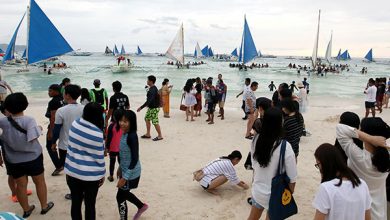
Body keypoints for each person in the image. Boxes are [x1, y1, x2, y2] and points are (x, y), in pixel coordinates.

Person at [0, 93, 54, 218]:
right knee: (39, 182)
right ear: (25, 105)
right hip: (33, 158)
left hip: (13, 160)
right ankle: (44, 206)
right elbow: (31, 137)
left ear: (7, 107)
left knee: (20, 184)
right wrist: (39, 128)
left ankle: (26, 209)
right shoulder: (29, 120)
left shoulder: (2, 122)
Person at [248, 107, 297, 220]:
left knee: (252, 218)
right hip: (275, 195)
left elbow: (254, 165)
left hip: (258, 190)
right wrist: (289, 194)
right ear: (280, 123)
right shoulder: (285, 146)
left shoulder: (256, 139)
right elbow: (292, 177)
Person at [336, 117, 390, 220]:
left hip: (361, 212)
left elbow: (340, 128)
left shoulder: (359, 158)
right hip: (380, 213)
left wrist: (370, 138)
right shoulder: (386, 158)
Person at [65, 102, 106, 220]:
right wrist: (101, 175)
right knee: (90, 205)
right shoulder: (98, 134)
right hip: (91, 177)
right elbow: (99, 158)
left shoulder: (75, 124)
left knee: (76, 204)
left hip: (72, 172)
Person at [313, 143, 372, 220]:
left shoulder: (326, 188)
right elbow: (368, 218)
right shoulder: (362, 184)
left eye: (318, 165)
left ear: (324, 164)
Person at [116, 110, 148, 220]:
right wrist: (120, 167)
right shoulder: (125, 134)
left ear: (132, 122)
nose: (121, 123)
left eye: (125, 121)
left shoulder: (132, 136)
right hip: (125, 170)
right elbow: (124, 155)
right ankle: (141, 206)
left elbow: (135, 159)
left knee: (120, 196)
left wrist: (124, 178)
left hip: (131, 173)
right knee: (123, 194)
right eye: (121, 120)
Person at [51, 85, 84, 179]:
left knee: (69, 170)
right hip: (81, 144)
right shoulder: (84, 108)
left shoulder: (61, 111)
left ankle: (73, 192)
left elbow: (57, 129)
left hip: (65, 145)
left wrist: (53, 142)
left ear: (68, 95)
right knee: (80, 168)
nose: (63, 95)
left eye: (64, 93)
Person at [45, 84, 64, 176]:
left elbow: (53, 117)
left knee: (49, 145)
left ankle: (59, 165)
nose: (49, 93)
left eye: (50, 91)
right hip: (64, 126)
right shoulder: (63, 100)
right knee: (64, 145)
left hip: (55, 126)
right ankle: (64, 163)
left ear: (56, 91)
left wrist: (50, 131)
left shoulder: (53, 102)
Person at [137, 75, 163, 141]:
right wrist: (147, 90)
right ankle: (148, 134)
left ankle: (160, 136)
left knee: (155, 122)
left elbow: (149, 100)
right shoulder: (152, 88)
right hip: (152, 108)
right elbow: (151, 96)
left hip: (154, 108)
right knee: (147, 119)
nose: (147, 81)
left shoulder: (152, 90)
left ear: (151, 81)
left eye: (148, 80)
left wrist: (141, 107)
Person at [105, 110, 123, 182]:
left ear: (114, 117)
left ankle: (111, 176)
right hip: (121, 147)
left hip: (112, 147)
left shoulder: (112, 126)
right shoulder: (124, 125)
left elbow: (108, 137)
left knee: (112, 162)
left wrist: (107, 147)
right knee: (120, 162)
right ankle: (121, 175)